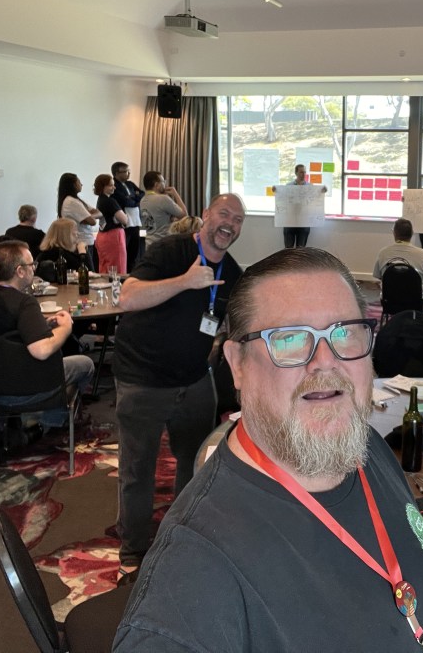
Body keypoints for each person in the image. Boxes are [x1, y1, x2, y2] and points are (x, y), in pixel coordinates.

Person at [113, 248, 423, 652]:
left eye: (344, 333)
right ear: (237, 364)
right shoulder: (195, 571)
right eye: (288, 339)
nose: (325, 361)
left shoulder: (365, 446)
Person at [112, 193, 246, 582]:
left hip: (194, 380)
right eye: (224, 214)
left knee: (197, 462)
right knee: (138, 469)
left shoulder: (232, 273)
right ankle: (133, 552)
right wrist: (185, 282)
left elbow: (233, 326)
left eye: (238, 219)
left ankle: (181, 537)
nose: (229, 223)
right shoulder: (171, 251)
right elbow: (128, 297)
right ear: (205, 215)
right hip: (143, 379)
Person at [0, 240, 94, 432]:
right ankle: (50, 424)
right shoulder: (24, 302)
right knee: (85, 364)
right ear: (20, 271)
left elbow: (4, 334)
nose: (34, 268)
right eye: (31, 264)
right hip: (25, 389)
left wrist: (40, 326)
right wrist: (65, 327)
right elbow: (41, 350)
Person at [372, 218, 423, 312]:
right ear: (412, 233)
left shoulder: (383, 253)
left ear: (394, 233)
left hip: (390, 302)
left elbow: (378, 276)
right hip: (416, 302)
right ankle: (421, 318)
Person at [272, 164, 326, 249]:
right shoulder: (289, 186)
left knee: (300, 250)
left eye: (304, 172)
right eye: (301, 172)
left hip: (304, 222)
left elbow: (315, 199)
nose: (303, 174)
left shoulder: (310, 187)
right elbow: (283, 198)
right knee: (288, 249)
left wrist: (321, 191)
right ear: (296, 173)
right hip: (290, 222)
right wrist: (276, 191)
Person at [57, 173, 102, 271]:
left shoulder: (77, 200)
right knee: (88, 271)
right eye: (79, 182)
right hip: (80, 243)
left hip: (86, 241)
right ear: (73, 185)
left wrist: (87, 217)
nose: (81, 184)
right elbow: (93, 222)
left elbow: (99, 213)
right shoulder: (71, 202)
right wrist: (88, 217)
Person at [111, 162, 145, 270]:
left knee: (134, 251)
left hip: (135, 221)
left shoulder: (130, 184)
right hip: (124, 222)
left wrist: (132, 197)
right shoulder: (114, 186)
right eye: (125, 171)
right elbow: (125, 202)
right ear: (117, 173)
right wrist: (134, 198)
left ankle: (132, 271)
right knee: (124, 252)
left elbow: (142, 194)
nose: (128, 173)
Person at [93, 174, 129, 274]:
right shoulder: (110, 201)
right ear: (103, 186)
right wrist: (126, 216)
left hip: (101, 236)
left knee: (104, 268)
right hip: (114, 236)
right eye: (110, 185)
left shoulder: (100, 200)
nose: (114, 187)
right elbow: (124, 220)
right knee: (118, 269)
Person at [139, 171, 186, 242]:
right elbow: (184, 215)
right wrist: (175, 194)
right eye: (163, 181)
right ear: (156, 185)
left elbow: (144, 225)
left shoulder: (142, 200)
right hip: (162, 243)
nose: (165, 184)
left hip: (148, 243)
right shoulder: (163, 199)